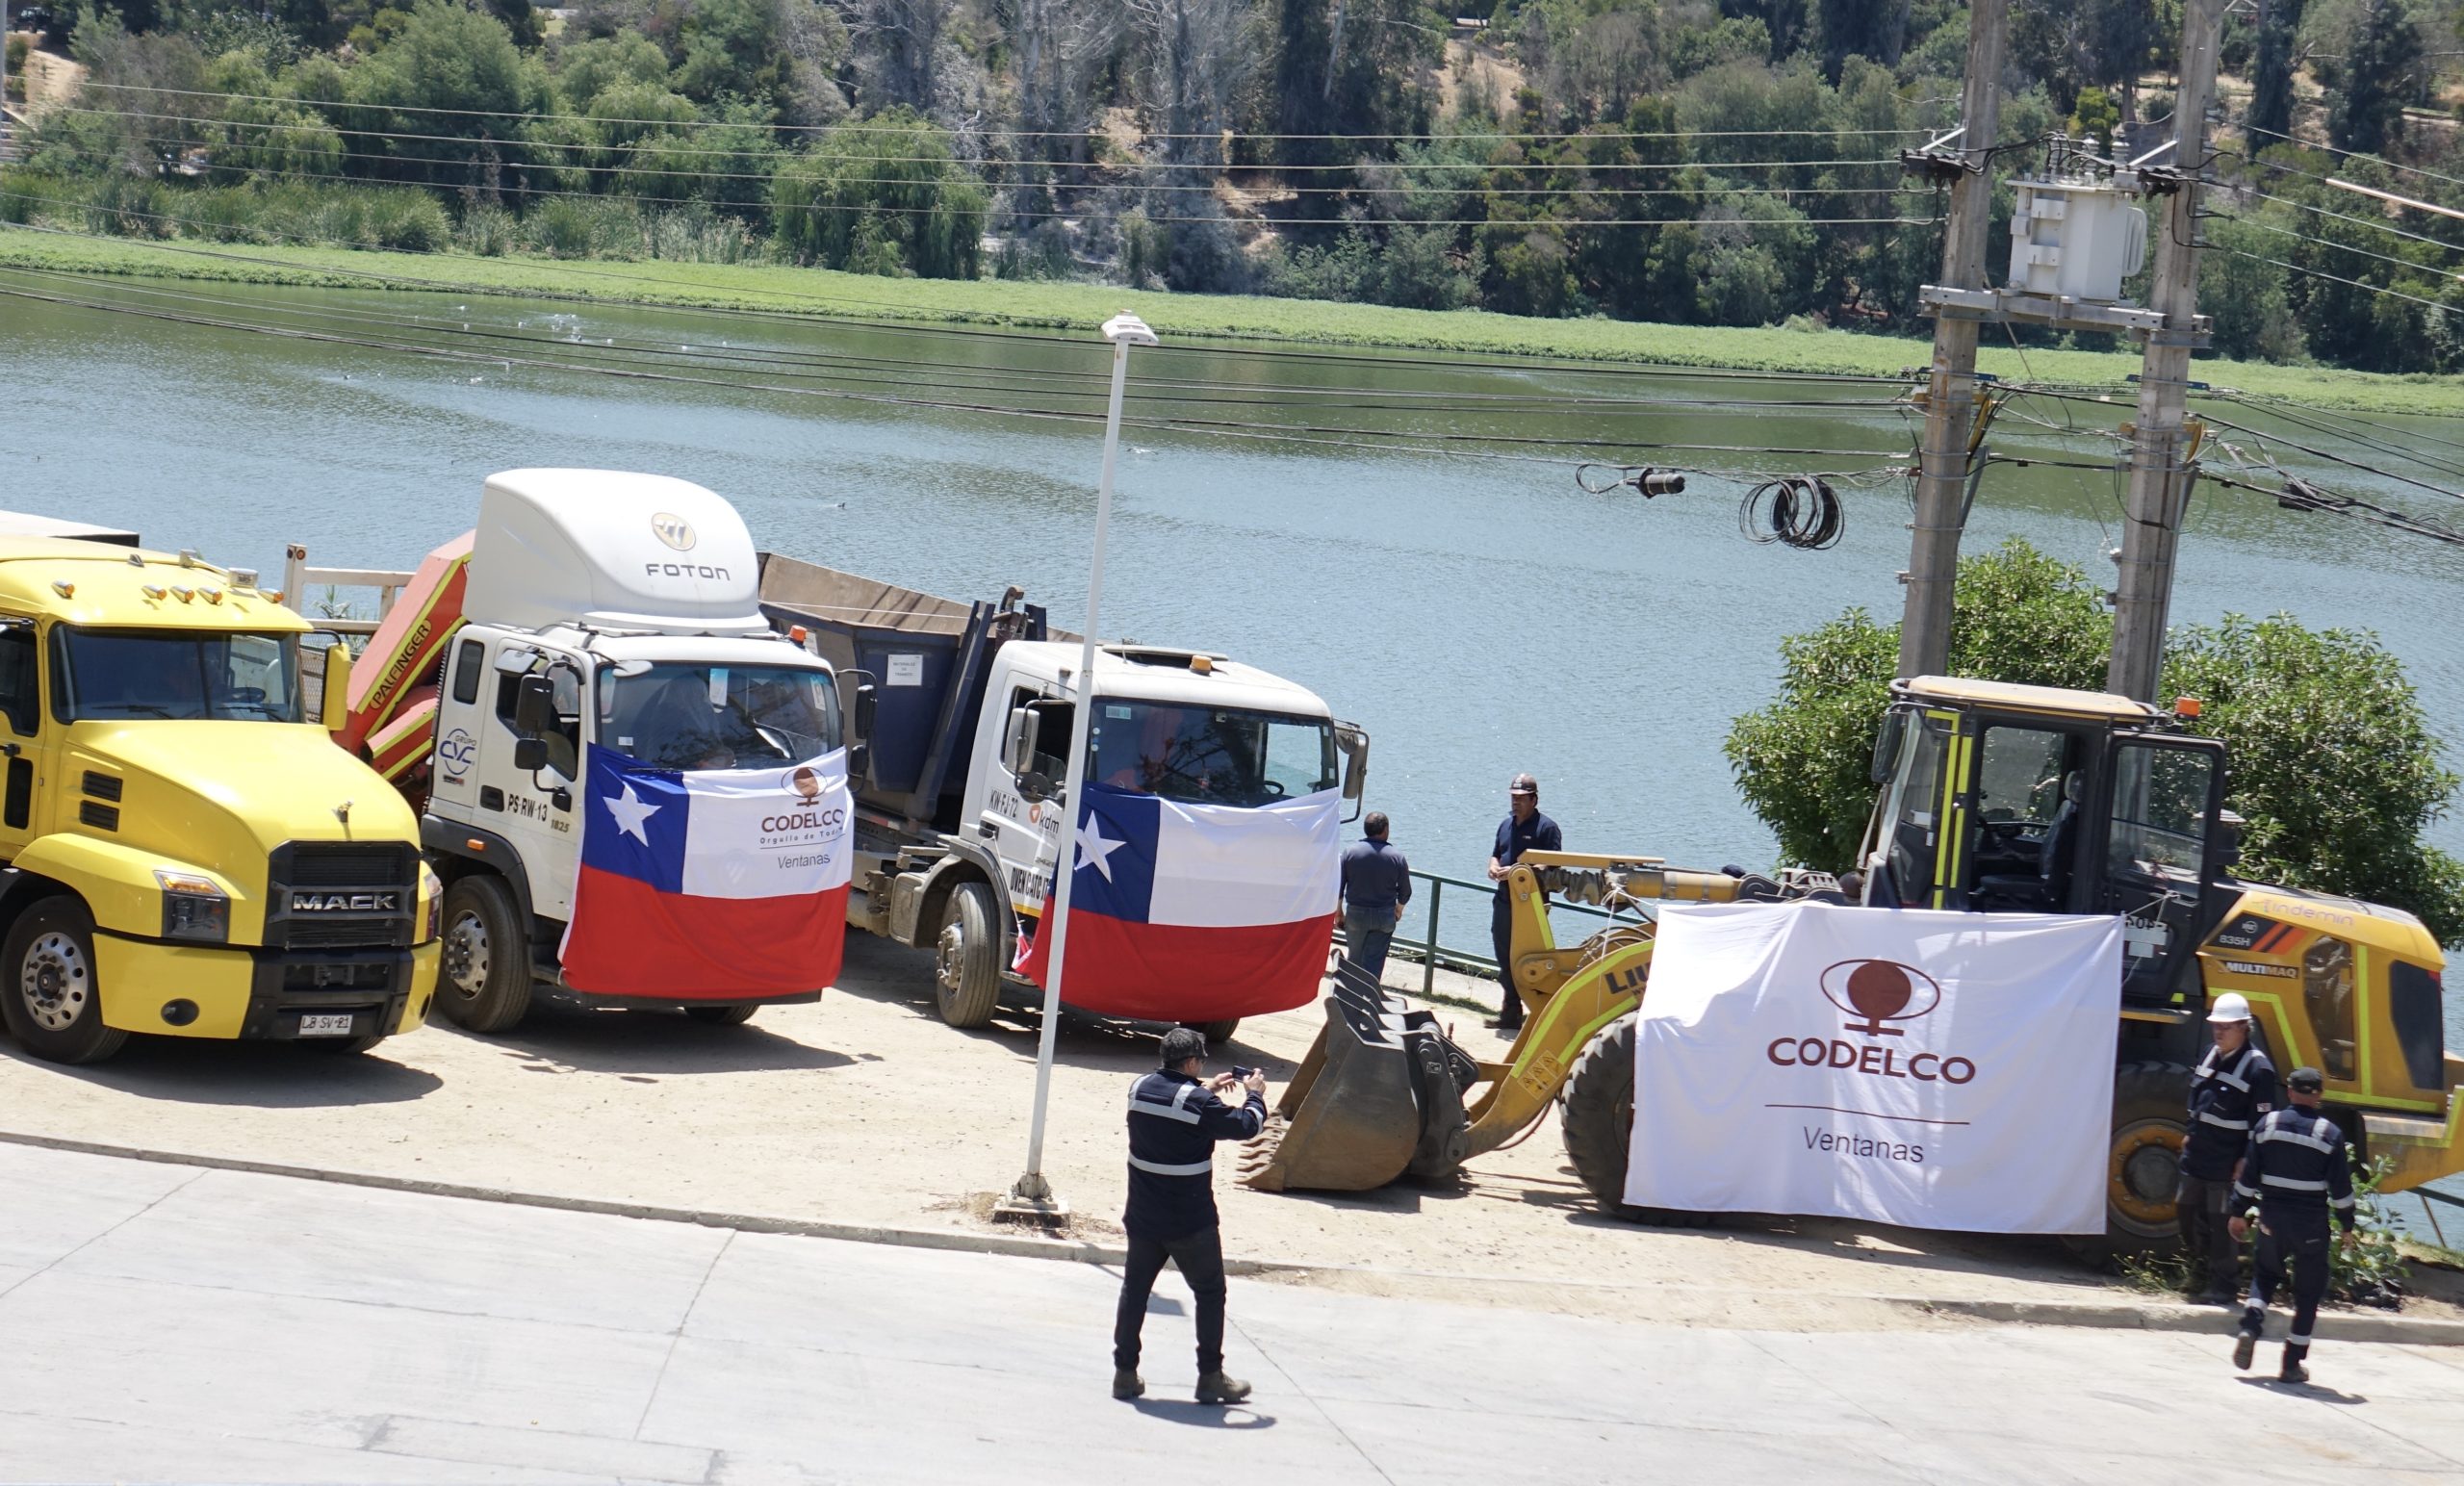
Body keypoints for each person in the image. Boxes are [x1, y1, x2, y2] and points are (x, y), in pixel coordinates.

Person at [1114, 1027, 1268, 1406]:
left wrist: (1206, 1090)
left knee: (1135, 1293)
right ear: (1192, 1061)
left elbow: (1176, 1105)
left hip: (1143, 1216)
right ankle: (1210, 1378)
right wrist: (1255, 1096)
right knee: (1211, 1293)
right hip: (1189, 1220)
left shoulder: (1139, 1088)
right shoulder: (1197, 1103)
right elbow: (1247, 1127)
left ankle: (1124, 1373)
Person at [2230, 1067, 2358, 1384]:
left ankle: (2250, 1326)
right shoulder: (2329, 1134)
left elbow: (2248, 1178)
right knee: (2308, 1293)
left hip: (2271, 1219)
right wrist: (2347, 1226)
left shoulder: (2266, 1125)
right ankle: (2290, 1365)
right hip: (2310, 1227)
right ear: (2318, 1096)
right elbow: (2341, 1189)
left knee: (2264, 1275)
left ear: (2288, 1092)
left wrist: (2237, 1212)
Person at [2179, 992, 2278, 1305]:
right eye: (2215, 1026)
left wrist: (2245, 1162)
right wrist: (2188, 1133)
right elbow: (2197, 1099)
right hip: (2196, 1154)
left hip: (2226, 1162)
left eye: (2226, 1027)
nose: (2218, 1032)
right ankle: (2199, 1269)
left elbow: (2260, 1126)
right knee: (2186, 1213)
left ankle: (2223, 1286)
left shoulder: (2258, 1069)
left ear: (2244, 1027)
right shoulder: (2210, 1053)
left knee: (2221, 1223)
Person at [1485, 773, 1562, 1032]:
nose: (1515, 802)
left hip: (1531, 905)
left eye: (1520, 798)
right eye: (1513, 797)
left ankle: (1542, 1012)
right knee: (1503, 953)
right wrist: (1494, 867)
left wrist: (1519, 871)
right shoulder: (1506, 825)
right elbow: (1496, 854)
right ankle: (1511, 1011)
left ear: (1534, 799)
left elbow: (1551, 864)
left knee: (1530, 958)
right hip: (1504, 901)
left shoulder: (1546, 828)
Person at [1338, 811, 1411, 981]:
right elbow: (1405, 891)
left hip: (1356, 915)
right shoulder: (1397, 857)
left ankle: (1350, 999)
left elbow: (1339, 887)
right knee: (1374, 964)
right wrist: (1398, 910)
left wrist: (1338, 912)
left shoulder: (1349, 852)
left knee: (1354, 960)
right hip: (1384, 916)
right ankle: (1369, 998)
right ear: (1385, 830)